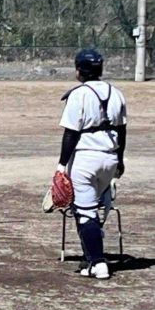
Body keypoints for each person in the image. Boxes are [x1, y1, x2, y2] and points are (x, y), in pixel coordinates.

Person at [56, 48, 127, 279]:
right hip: (110, 158)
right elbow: (122, 131)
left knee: (84, 212)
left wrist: (61, 165)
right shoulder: (116, 93)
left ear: (79, 70)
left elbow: (71, 133)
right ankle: (89, 260)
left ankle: (98, 262)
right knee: (94, 207)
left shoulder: (79, 95)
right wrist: (120, 160)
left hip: (85, 159)